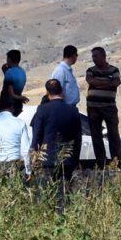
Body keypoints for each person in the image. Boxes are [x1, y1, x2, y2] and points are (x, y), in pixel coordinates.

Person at [29, 78, 81, 207]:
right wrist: (75, 159)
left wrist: (33, 158)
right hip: (67, 160)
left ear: (47, 92)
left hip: (47, 160)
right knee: (64, 194)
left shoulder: (42, 110)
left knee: (47, 194)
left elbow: (37, 136)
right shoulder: (73, 111)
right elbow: (78, 138)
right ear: (62, 91)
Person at [85, 47, 121, 167]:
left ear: (103, 56)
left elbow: (116, 82)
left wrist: (98, 83)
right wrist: (107, 83)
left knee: (113, 134)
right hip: (93, 108)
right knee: (96, 136)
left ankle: (117, 161)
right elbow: (91, 81)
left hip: (109, 107)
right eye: (93, 57)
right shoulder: (90, 70)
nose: (94, 59)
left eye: (96, 56)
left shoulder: (114, 70)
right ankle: (101, 163)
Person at [49, 44, 81, 114]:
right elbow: (55, 91)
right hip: (64, 108)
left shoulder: (67, 70)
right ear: (72, 55)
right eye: (76, 55)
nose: (76, 57)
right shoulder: (60, 70)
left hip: (70, 107)